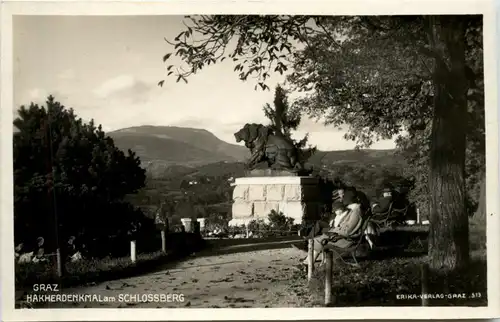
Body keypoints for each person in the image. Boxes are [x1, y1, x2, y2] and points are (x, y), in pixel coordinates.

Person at [295, 201, 364, 270]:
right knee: (319, 239)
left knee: (319, 240)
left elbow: (347, 232)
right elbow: (344, 228)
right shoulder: (352, 213)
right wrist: (334, 230)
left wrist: (334, 230)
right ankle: (308, 264)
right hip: (341, 237)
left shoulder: (355, 214)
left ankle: (308, 264)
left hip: (347, 240)